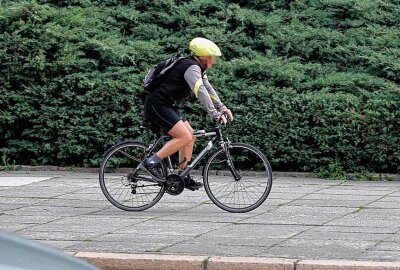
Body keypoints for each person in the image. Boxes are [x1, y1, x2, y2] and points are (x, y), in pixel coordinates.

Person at [141, 37, 234, 190]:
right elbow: (200, 91)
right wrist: (215, 113)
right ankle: (151, 161)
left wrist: (222, 107)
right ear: (202, 56)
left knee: (191, 136)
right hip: (157, 104)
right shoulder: (190, 67)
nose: (213, 61)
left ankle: (182, 174)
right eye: (211, 58)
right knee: (183, 136)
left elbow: (208, 89)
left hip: (169, 105)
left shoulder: (197, 68)